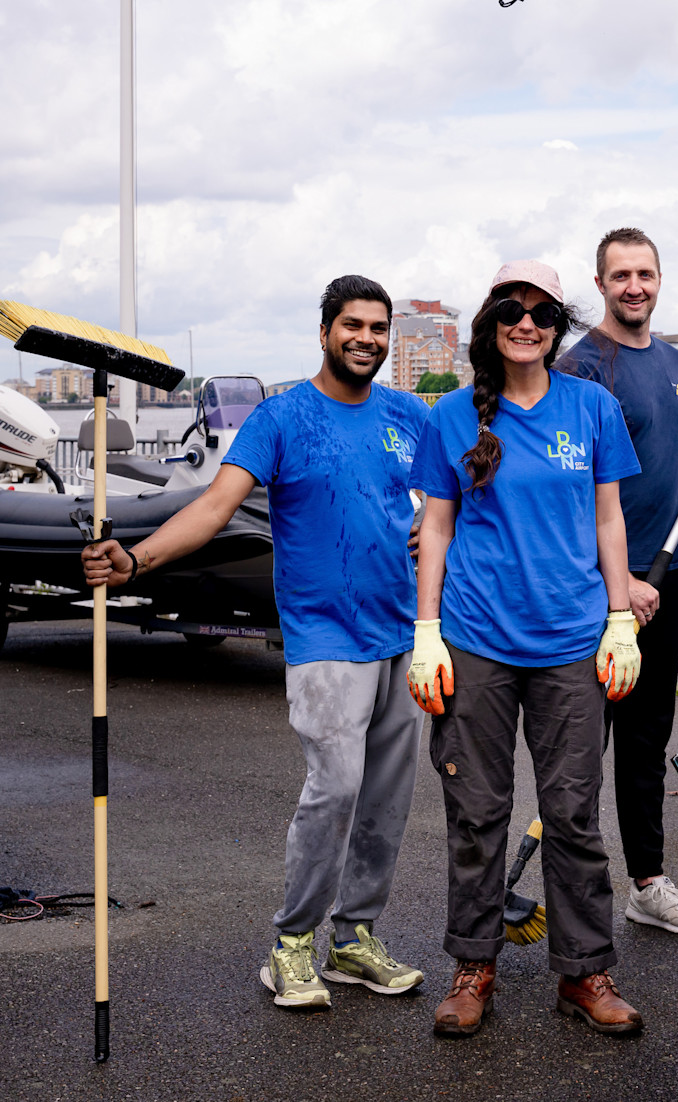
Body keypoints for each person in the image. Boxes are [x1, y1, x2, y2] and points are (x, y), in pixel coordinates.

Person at [81, 275, 429, 1009]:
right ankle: (292, 944)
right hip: (325, 635)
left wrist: (428, 527)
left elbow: (443, 503)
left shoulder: (406, 414)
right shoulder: (282, 418)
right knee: (334, 790)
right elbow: (213, 508)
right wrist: (136, 560)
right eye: (353, 325)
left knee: (387, 800)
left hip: (402, 631)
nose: (366, 338)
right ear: (326, 331)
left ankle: (355, 937)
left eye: (377, 327)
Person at [407, 260, 644, 1038]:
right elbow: (435, 527)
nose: (526, 322)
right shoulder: (452, 416)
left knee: (573, 815)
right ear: (490, 321)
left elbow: (609, 520)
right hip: (475, 639)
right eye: (511, 308)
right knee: (476, 813)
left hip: (572, 642)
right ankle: (473, 968)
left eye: (542, 312)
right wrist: (426, 632)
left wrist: (619, 618)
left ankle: (583, 972)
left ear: (558, 326)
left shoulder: (593, 407)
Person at [556, 227, 678, 937]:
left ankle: (646, 884)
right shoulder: (581, 367)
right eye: (620, 275)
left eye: (644, 274)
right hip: (604, 589)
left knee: (647, 743)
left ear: (659, 279)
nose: (634, 287)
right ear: (599, 284)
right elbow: (569, 491)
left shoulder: (674, 361)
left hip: (669, 574)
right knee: (579, 750)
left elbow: (670, 458)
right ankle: (573, 896)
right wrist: (618, 578)